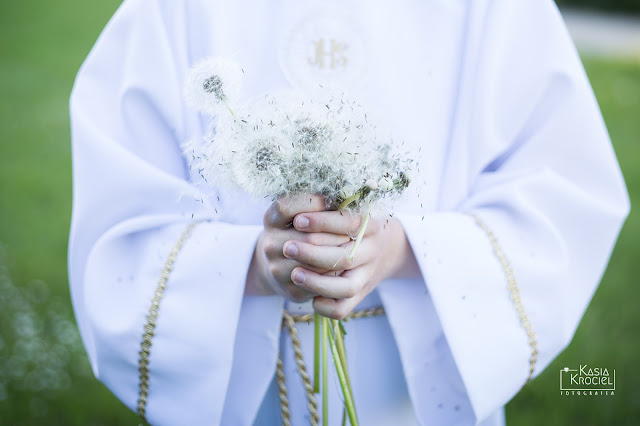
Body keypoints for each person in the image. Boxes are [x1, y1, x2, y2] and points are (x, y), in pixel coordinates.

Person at [68, 0, 629, 424]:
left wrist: (400, 249)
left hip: (413, 392)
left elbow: (563, 185)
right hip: (240, 374)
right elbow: (119, 202)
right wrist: (255, 266)